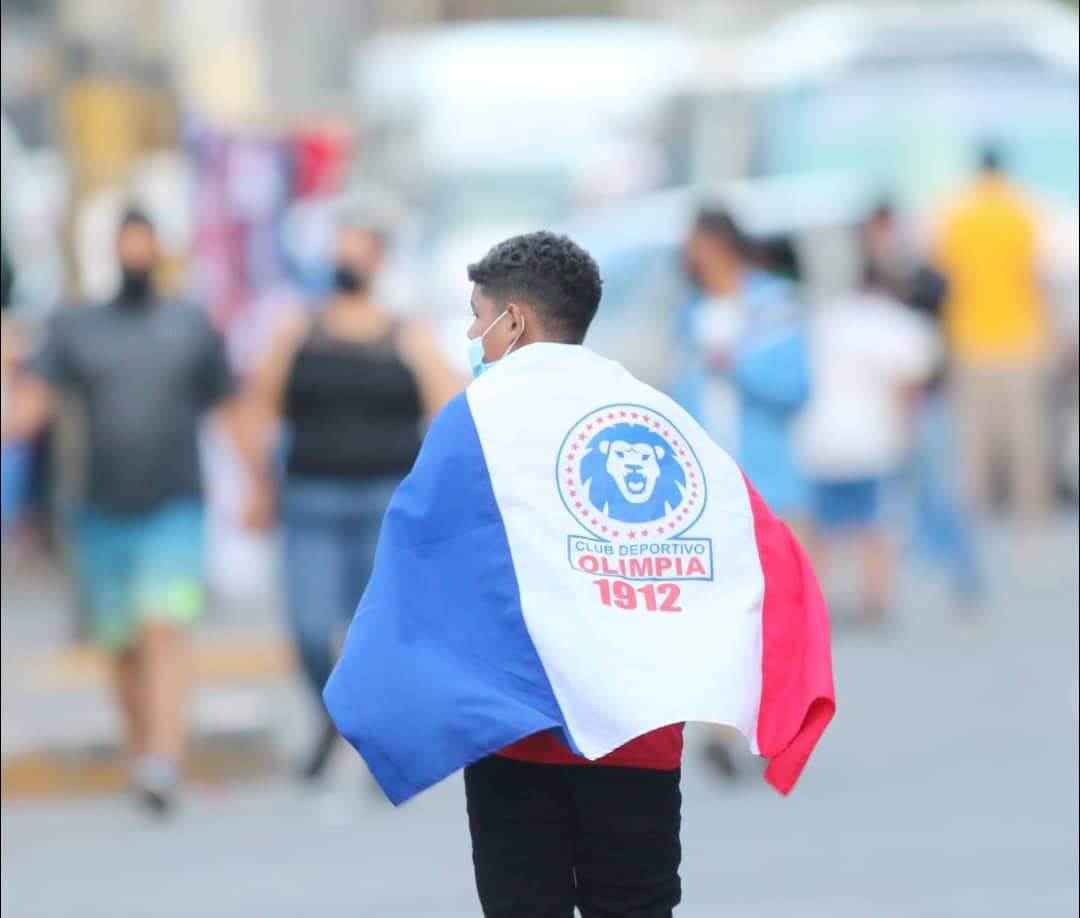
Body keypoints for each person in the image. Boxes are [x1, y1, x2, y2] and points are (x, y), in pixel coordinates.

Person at [324, 232, 834, 918]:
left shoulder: (476, 419)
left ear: (514, 321)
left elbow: (419, 557)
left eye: (479, 317)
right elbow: (751, 545)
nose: (474, 335)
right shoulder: (658, 416)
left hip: (516, 735)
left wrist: (381, 695)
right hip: (640, 738)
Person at [1, 210, 256, 813]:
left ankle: (164, 759)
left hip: (175, 509)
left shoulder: (190, 324)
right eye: (126, 246)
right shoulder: (75, 327)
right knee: (121, 644)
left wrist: (258, 486)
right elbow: (29, 409)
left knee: (163, 630)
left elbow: (229, 407)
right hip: (98, 511)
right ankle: (143, 750)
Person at [246, 214, 460, 780]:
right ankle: (335, 715)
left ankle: (379, 738)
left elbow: (448, 408)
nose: (346, 261)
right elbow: (258, 404)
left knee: (381, 632)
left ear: (379, 262)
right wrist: (257, 481)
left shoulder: (406, 332)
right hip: (310, 499)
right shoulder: (299, 327)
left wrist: (441, 493)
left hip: (384, 502)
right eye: (340, 249)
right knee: (311, 630)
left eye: (358, 251)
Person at [683, 207, 811, 775]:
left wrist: (737, 365)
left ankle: (776, 726)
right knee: (716, 616)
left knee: (776, 615)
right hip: (704, 491)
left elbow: (796, 384)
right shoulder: (688, 314)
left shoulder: (775, 304)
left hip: (771, 483)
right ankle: (720, 731)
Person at [796, 221, 940, 624]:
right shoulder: (896, 322)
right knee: (875, 527)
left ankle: (817, 604)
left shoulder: (824, 316)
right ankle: (874, 600)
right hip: (872, 441)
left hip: (817, 438)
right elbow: (909, 384)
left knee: (821, 529)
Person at [863, 203, 983, 608]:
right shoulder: (868, 277)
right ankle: (906, 576)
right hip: (882, 405)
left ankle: (963, 570)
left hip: (927, 400)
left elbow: (940, 299)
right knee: (894, 498)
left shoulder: (921, 277)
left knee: (939, 489)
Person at [934, 146, 1051, 520]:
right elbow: (1034, 274)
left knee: (974, 432)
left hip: (969, 336)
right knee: (1026, 429)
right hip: (1020, 335)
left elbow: (944, 278)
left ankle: (975, 507)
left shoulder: (957, 213)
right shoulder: (1021, 211)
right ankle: (1031, 505)